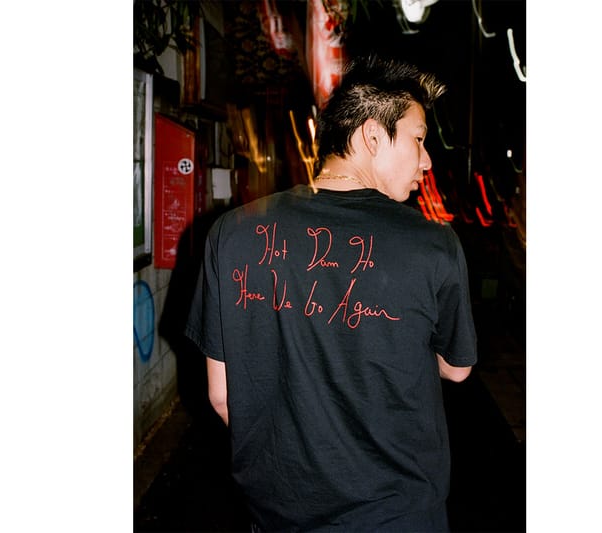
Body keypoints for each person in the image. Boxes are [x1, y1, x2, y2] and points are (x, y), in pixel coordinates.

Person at [185, 54, 477, 531]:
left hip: (280, 512)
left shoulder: (233, 234)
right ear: (372, 136)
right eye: (419, 139)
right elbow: (457, 368)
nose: (426, 160)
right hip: (399, 513)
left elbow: (223, 396)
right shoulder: (433, 245)